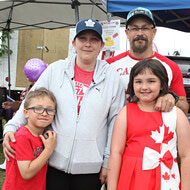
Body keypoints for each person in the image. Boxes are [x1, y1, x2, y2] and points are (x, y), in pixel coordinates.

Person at [2, 18, 125, 190]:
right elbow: (31, 100)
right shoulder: (55, 70)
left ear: (102, 45)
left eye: (94, 39)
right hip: (54, 162)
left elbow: (115, 123)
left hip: (91, 168)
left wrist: (107, 162)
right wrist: (11, 127)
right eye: (83, 39)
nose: (88, 44)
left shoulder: (112, 79)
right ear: (74, 43)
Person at [107, 59, 190, 190]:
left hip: (166, 179)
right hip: (132, 178)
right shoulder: (125, 113)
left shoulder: (176, 115)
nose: (144, 87)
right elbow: (116, 153)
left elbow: (186, 156)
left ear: (162, 84)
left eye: (151, 81)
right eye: (138, 82)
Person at [106, 7, 189, 115]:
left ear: (154, 32)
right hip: (119, 129)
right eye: (134, 28)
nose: (140, 33)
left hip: (156, 130)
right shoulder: (109, 65)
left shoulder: (170, 66)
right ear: (127, 33)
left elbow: (184, 108)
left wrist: (173, 98)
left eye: (145, 28)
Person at [2, 87, 57, 190]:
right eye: (38, 108)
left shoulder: (45, 137)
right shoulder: (22, 137)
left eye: (49, 110)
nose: (44, 113)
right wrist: (48, 150)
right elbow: (26, 173)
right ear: (26, 113)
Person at [0, 58, 47, 171]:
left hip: (30, 122)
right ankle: (9, 161)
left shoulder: (44, 89)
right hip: (22, 120)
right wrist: (11, 105)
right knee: (15, 139)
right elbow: (22, 105)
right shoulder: (27, 91)